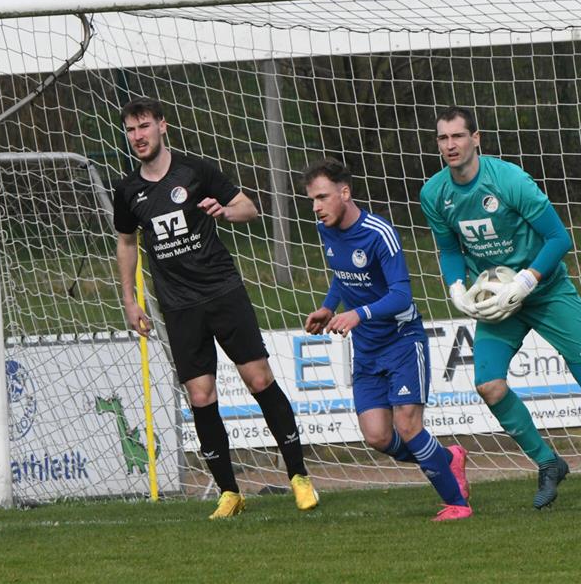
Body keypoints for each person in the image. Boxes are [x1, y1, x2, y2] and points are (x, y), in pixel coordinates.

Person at [421, 106, 581, 509]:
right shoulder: (434, 193)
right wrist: (455, 286)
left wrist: (527, 280)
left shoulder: (509, 181)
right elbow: (450, 249)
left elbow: (559, 239)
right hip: (499, 302)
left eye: (457, 136)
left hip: (547, 290)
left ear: (476, 139)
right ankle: (548, 462)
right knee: (488, 385)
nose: (450, 145)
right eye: (442, 138)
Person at [112, 96, 318, 519]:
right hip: (179, 306)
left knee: (258, 379)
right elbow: (127, 242)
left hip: (223, 292)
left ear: (162, 126)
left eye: (144, 126)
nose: (138, 136)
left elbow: (249, 208)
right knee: (200, 394)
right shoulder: (128, 190)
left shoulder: (195, 170)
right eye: (131, 130)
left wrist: (224, 210)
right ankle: (229, 492)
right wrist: (130, 301)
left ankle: (298, 475)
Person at [302, 159, 472, 521]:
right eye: (312, 200)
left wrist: (357, 314)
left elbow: (401, 296)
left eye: (322, 197)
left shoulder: (379, 233)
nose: (316, 207)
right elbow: (342, 274)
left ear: (344, 193)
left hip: (401, 341)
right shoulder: (325, 229)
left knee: (409, 426)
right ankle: (448, 458)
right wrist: (328, 307)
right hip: (366, 347)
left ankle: (457, 504)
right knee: (378, 437)